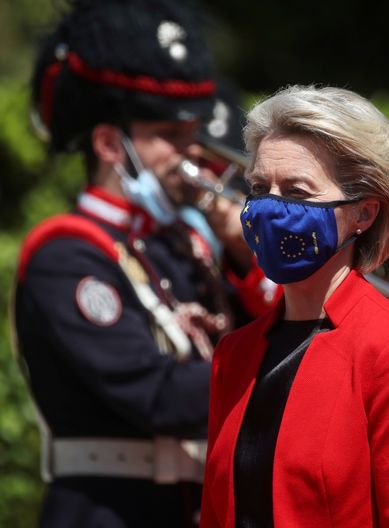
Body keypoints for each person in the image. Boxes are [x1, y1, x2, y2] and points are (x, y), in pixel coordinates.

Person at [13, 1, 257, 525]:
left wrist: (248, 255)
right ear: (109, 144)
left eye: (190, 135)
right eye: (169, 138)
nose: (191, 156)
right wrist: (287, 368)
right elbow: (158, 396)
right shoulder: (66, 253)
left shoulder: (175, 246)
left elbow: (261, 328)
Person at [199, 85, 389, 528]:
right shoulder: (235, 354)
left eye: (297, 192)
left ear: (364, 213)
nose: (270, 208)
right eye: (259, 187)